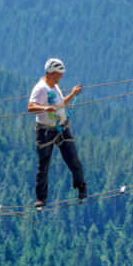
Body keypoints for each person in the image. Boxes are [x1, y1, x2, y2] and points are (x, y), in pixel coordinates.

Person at [27, 58, 87, 207]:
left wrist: (73, 94)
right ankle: (41, 198)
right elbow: (30, 106)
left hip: (62, 128)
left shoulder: (54, 87)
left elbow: (60, 104)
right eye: (60, 74)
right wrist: (44, 108)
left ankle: (81, 187)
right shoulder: (40, 88)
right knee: (44, 165)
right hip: (45, 131)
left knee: (73, 159)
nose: (61, 77)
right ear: (53, 73)